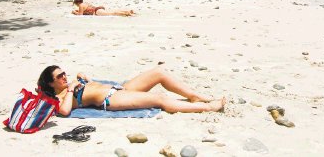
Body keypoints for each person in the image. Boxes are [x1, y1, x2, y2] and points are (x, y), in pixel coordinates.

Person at [37, 65, 226, 115]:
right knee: (159, 98)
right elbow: (64, 111)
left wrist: (84, 78)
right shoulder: (60, 97)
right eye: (59, 76)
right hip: (111, 100)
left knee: (159, 72)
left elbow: (89, 84)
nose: (64, 76)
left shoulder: (70, 83)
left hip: (120, 89)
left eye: (63, 73)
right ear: (51, 84)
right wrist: (70, 89)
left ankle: (195, 96)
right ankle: (209, 108)